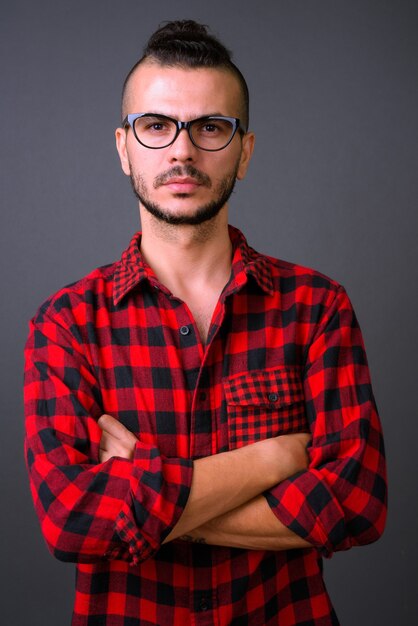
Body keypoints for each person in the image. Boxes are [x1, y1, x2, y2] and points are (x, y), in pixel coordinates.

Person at [24, 19, 387, 626]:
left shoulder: (317, 308)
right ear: (123, 147)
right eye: (157, 125)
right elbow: (71, 522)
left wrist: (144, 489)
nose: (182, 150)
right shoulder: (66, 324)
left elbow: (356, 503)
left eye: (211, 127)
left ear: (244, 153)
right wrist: (270, 462)